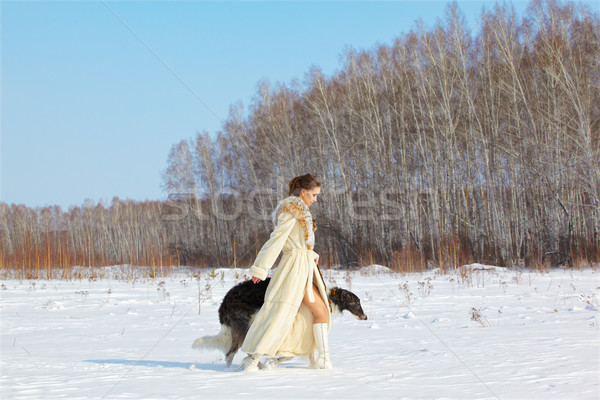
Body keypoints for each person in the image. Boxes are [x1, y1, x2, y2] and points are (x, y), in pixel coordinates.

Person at [237, 173, 332, 371]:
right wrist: (261, 268)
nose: (315, 199)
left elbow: (298, 241)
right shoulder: (291, 211)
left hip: (304, 267)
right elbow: (277, 240)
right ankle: (252, 359)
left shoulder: (302, 211)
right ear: (304, 192)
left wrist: (310, 253)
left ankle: (323, 360)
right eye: (314, 195)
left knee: (319, 311)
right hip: (294, 269)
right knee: (279, 312)